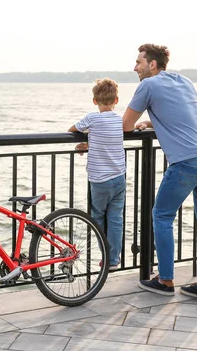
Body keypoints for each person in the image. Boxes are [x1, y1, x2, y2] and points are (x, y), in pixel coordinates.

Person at [123, 44, 197, 302]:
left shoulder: (148, 85)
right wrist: (153, 121)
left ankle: (165, 279)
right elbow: (182, 117)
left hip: (188, 161)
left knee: (162, 214)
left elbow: (125, 125)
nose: (135, 68)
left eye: (139, 62)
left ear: (153, 65)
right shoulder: (185, 81)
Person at [69, 78, 126, 270]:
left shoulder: (92, 118)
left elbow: (72, 130)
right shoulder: (120, 120)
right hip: (119, 177)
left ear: (94, 101)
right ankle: (114, 260)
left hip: (99, 180)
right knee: (116, 218)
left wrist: (86, 141)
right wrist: (91, 144)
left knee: (98, 216)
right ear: (116, 100)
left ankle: (105, 255)